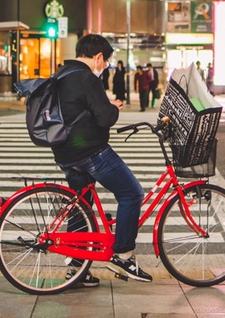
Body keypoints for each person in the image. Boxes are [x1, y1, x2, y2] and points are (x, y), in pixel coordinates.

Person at [52, 34, 152, 284]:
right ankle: (124, 255)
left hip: (65, 152)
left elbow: (79, 107)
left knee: (82, 207)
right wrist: (114, 108)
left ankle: (76, 269)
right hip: (90, 151)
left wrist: (103, 105)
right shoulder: (87, 78)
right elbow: (105, 118)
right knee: (131, 193)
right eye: (105, 61)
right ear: (97, 57)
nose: (105, 65)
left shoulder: (62, 74)